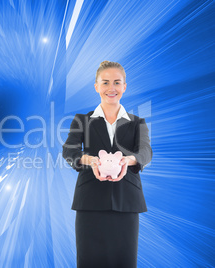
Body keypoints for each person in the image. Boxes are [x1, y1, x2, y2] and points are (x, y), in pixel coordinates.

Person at [62, 61, 153, 267]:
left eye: (116, 82)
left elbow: (146, 152)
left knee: (124, 261)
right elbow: (69, 150)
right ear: (96, 86)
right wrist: (91, 160)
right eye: (105, 83)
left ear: (124, 87)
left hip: (127, 201)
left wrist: (128, 160)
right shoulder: (81, 120)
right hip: (90, 201)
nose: (111, 88)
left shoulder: (137, 123)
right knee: (89, 261)